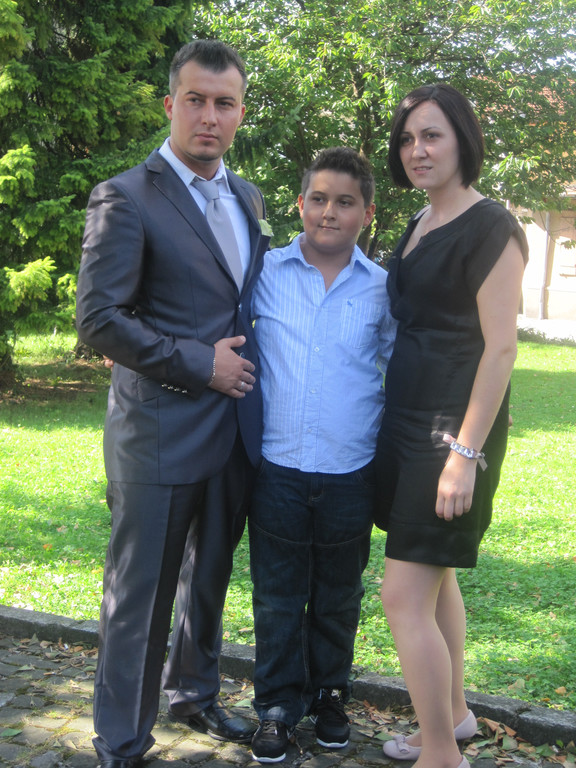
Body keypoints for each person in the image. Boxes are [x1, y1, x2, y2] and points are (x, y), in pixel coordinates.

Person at [76, 40, 271, 768]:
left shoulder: (247, 197)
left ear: (240, 113)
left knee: (208, 578)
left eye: (225, 103)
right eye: (195, 100)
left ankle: (193, 692)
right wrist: (200, 363)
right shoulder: (124, 196)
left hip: (234, 430)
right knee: (141, 593)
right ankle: (122, 740)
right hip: (158, 431)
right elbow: (99, 318)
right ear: (170, 105)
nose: (209, 117)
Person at [374, 84, 528, 768]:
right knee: (436, 581)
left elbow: (501, 349)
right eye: (408, 138)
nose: (417, 149)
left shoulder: (492, 227)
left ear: (463, 140)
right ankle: (455, 716)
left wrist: (465, 454)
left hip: (450, 434)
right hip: (405, 422)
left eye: (431, 135)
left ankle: (440, 754)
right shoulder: (420, 221)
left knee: (402, 595)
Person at [247, 147, 397, 763]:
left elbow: (404, 366)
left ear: (367, 212)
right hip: (277, 468)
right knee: (277, 596)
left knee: (338, 596)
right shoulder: (264, 272)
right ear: (300, 203)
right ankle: (277, 708)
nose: (329, 212)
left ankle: (330, 694)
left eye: (345, 202)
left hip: (350, 472)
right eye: (318, 199)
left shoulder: (382, 288)